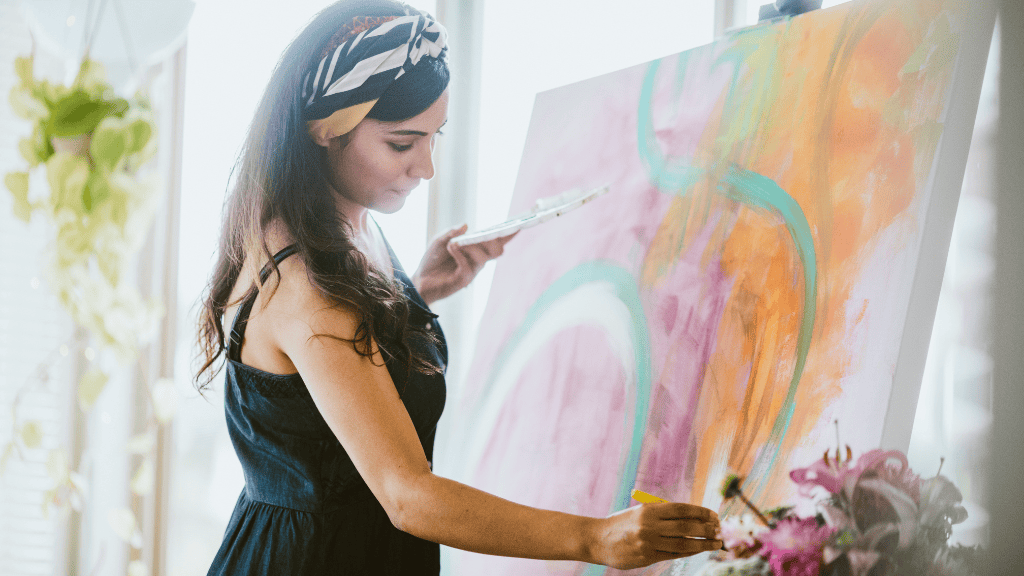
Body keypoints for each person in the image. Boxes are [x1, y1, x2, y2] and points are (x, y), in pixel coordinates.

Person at [195, 1, 722, 573]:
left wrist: (417, 289)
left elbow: (322, 379)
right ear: (325, 129)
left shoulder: (344, 222)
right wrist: (593, 539)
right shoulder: (305, 278)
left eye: (435, 136)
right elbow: (406, 494)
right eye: (402, 143)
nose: (425, 167)